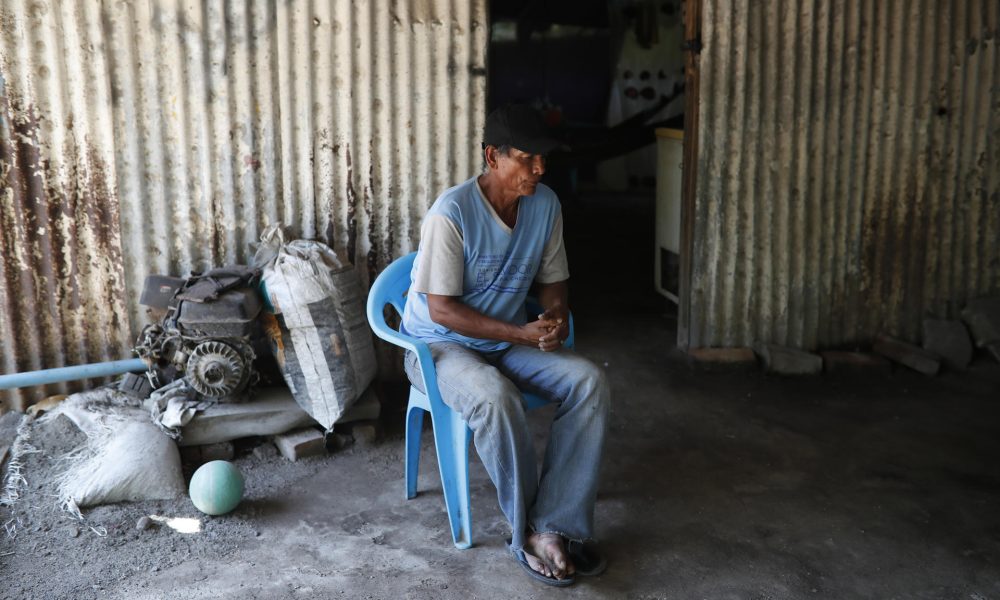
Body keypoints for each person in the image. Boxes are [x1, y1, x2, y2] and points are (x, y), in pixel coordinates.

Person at [401, 104, 611, 586]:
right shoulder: (451, 213)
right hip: (437, 349)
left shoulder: (545, 205)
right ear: (492, 156)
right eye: (528, 158)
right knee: (495, 397)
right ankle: (525, 534)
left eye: (545, 159)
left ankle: (553, 524)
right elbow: (442, 311)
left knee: (589, 381)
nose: (540, 169)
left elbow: (553, 280)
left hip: (502, 338)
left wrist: (554, 317)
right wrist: (519, 332)